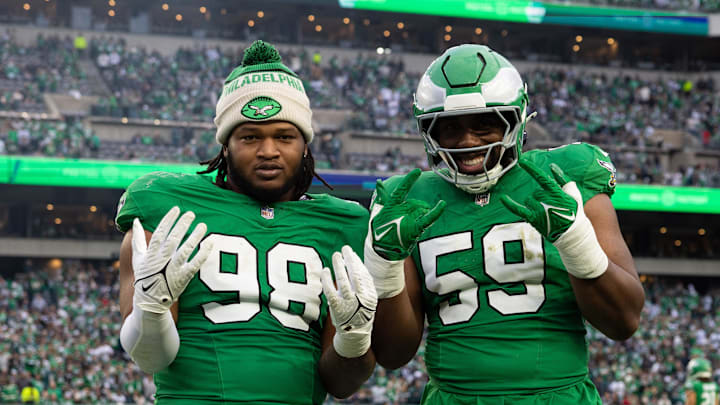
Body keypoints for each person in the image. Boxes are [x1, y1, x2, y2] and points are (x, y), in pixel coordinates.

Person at [365, 44, 645, 404]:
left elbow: (624, 321)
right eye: (449, 128)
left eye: (485, 124)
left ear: (517, 120)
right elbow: (392, 354)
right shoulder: (405, 198)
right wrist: (385, 266)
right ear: (428, 132)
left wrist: (575, 241)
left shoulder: (565, 177)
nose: (467, 142)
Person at [115, 41, 377, 404]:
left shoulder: (343, 223)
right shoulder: (169, 206)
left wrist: (353, 338)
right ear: (226, 145)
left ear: (305, 145)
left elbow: (342, 385)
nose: (268, 150)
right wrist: (152, 310)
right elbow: (150, 357)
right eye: (250, 136)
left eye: (284, 136)